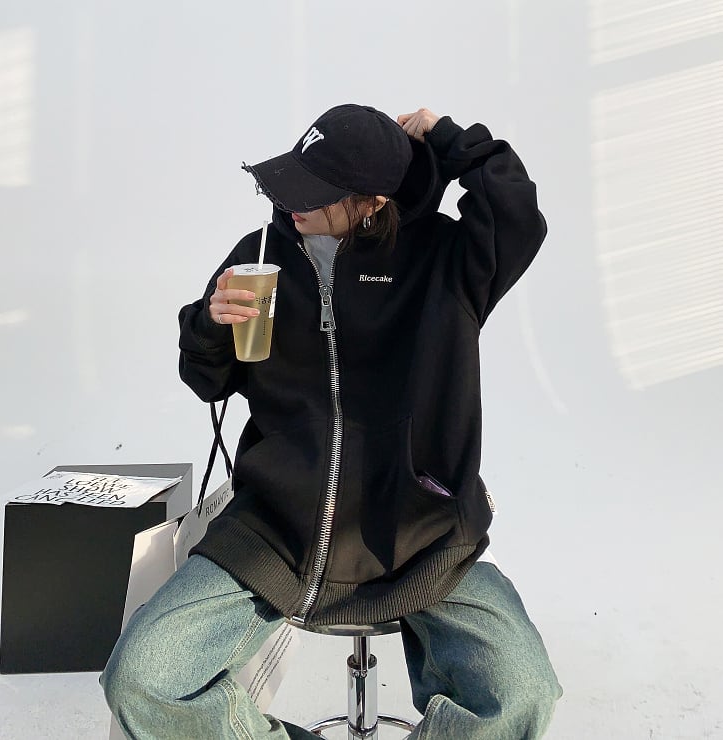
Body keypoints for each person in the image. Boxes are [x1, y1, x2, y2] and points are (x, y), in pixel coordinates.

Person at [101, 104, 562, 739]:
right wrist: (209, 327)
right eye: (292, 179)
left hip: (421, 536)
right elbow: (207, 381)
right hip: (273, 533)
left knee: (523, 694)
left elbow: (516, 212)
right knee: (140, 679)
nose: (292, 202)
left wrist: (448, 139)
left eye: (315, 193)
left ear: (371, 202)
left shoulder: (447, 261)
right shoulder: (260, 255)